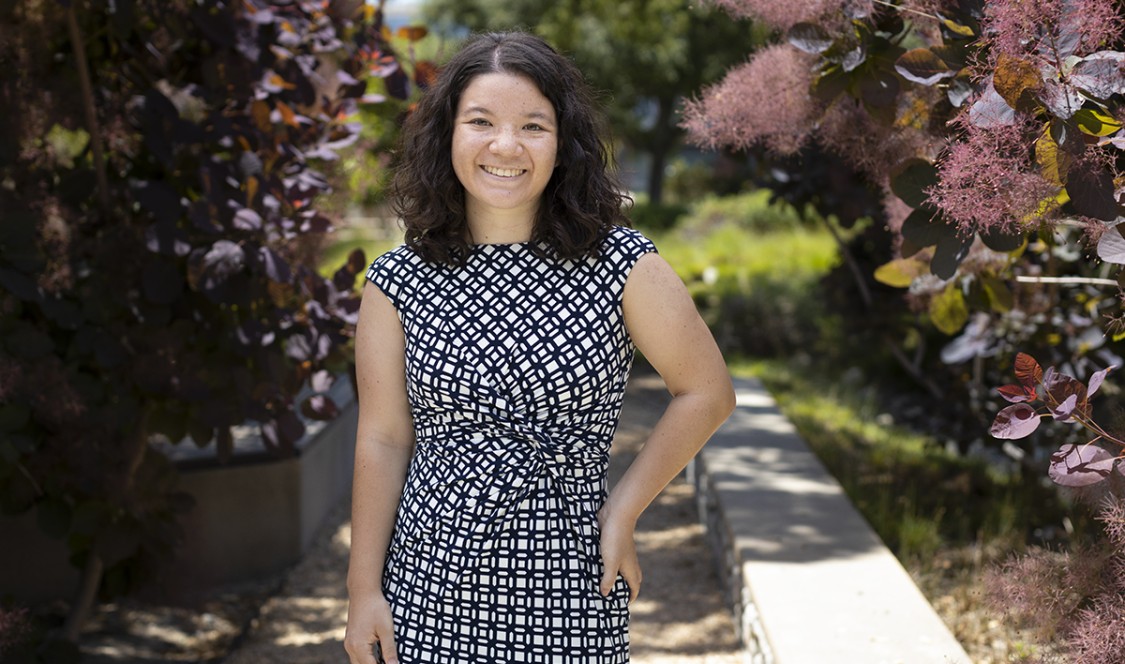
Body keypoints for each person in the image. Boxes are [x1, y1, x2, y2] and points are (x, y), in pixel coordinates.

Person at [344, 31, 735, 664]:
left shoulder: (621, 262)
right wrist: (364, 592)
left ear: (563, 143)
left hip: (572, 579)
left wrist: (623, 512)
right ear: (448, 134)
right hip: (426, 584)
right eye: (480, 122)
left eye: (533, 125)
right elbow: (383, 438)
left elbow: (707, 392)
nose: (506, 145)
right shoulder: (398, 278)